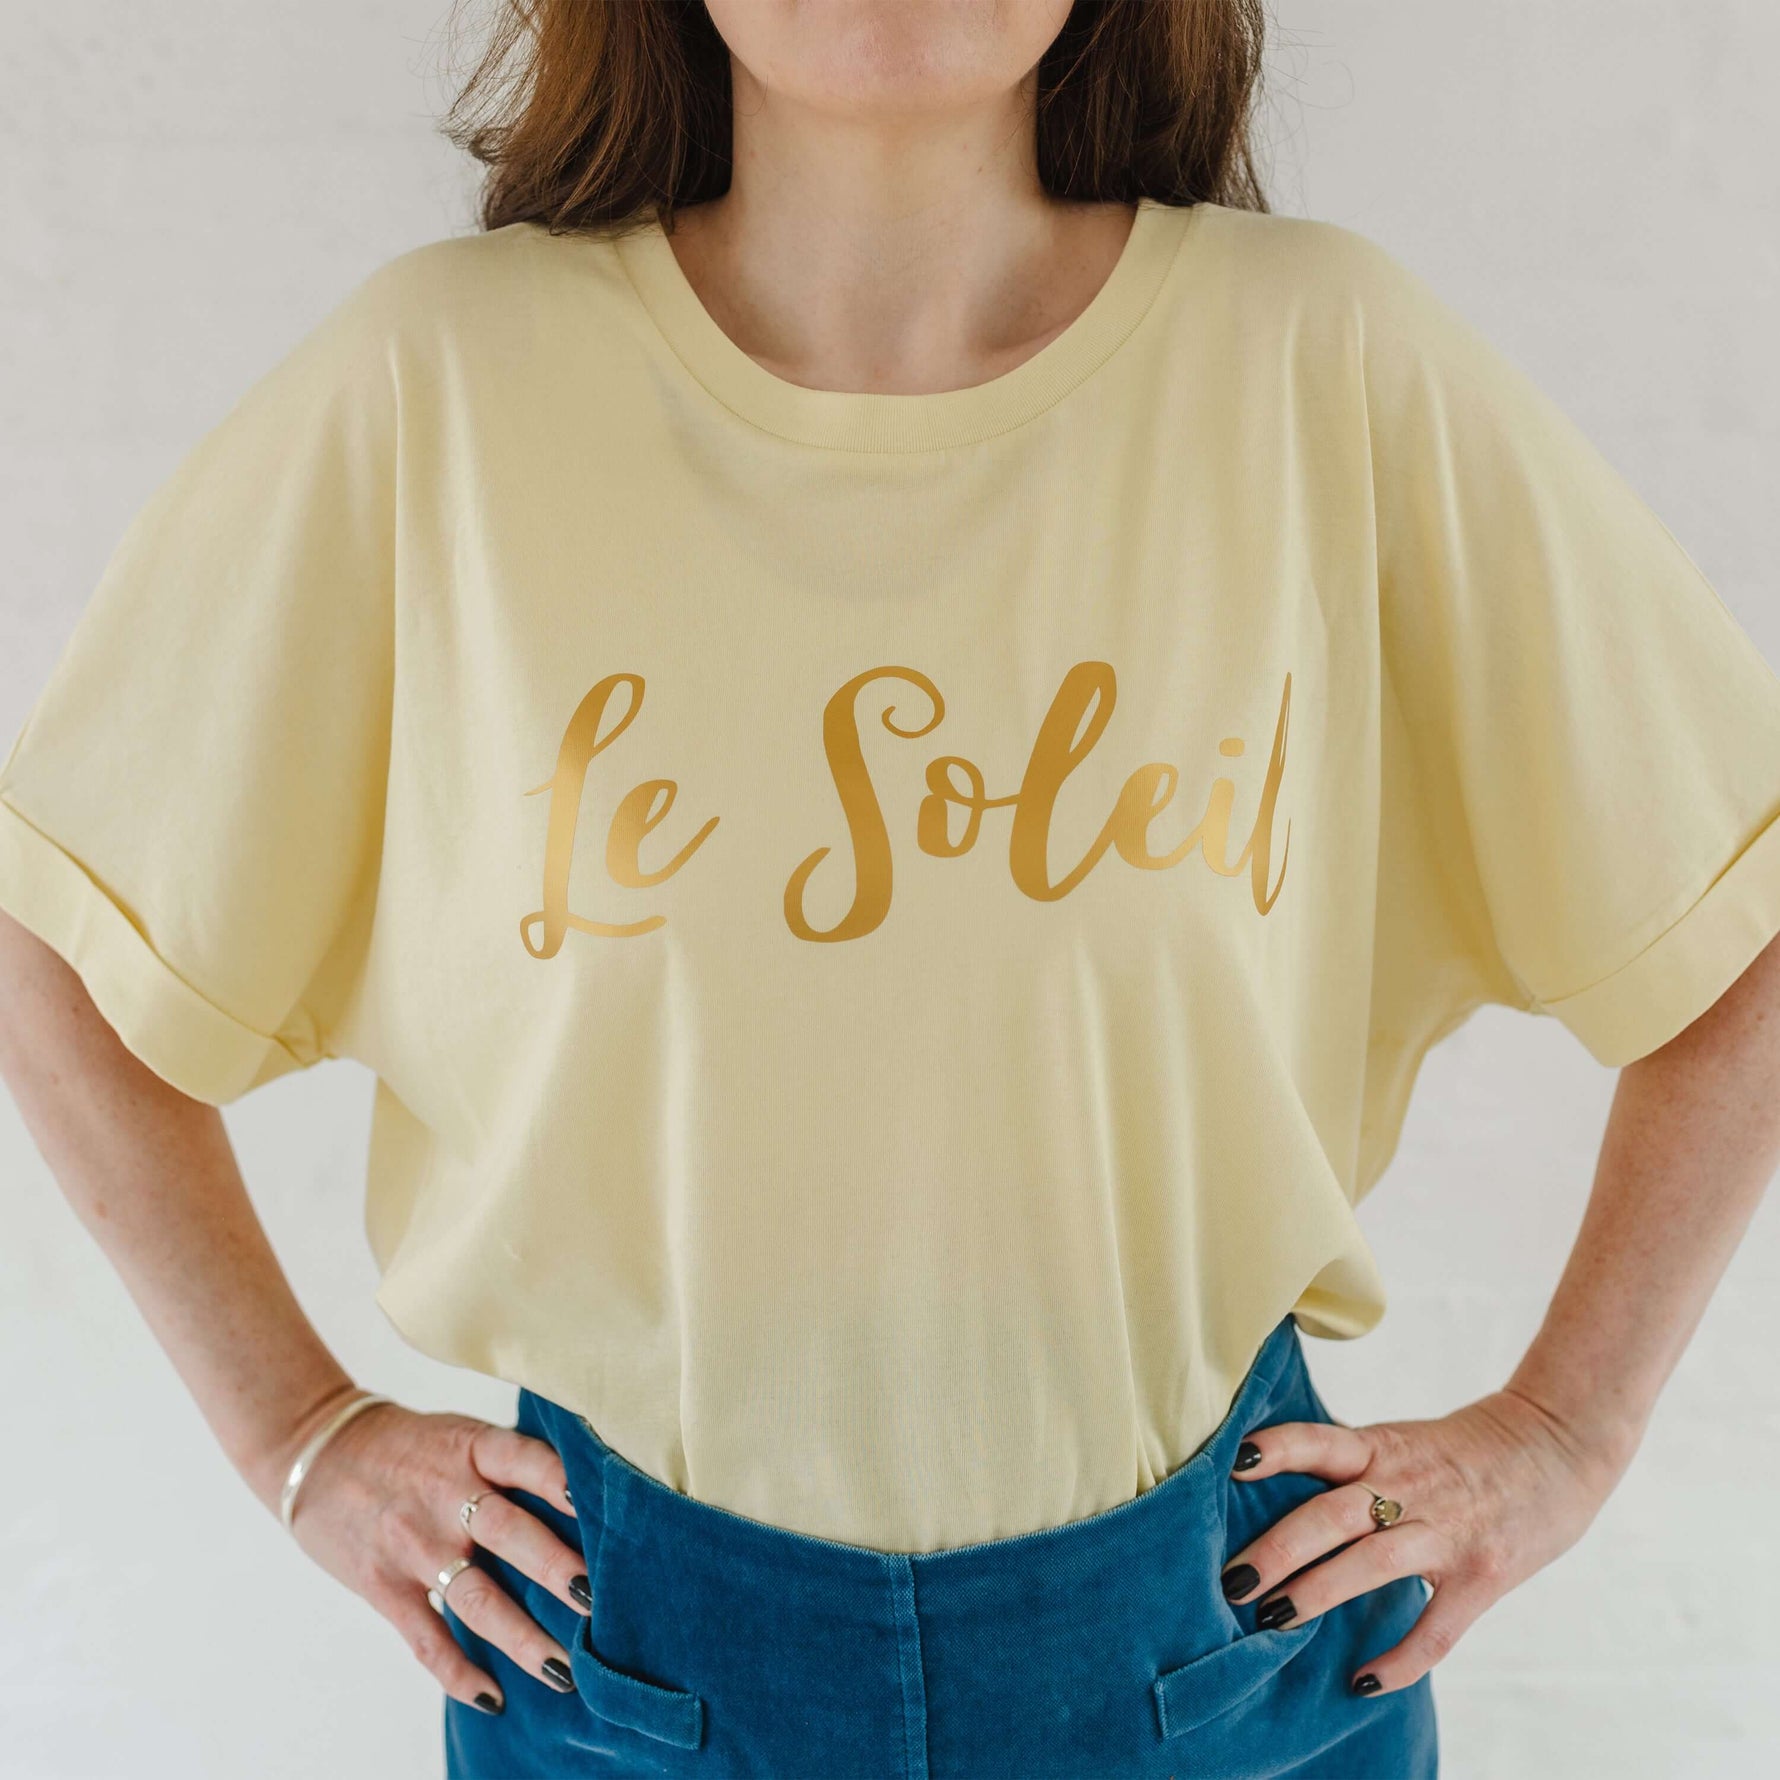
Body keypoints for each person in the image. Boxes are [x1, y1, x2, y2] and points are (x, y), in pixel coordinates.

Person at [3, 2, 1779, 1775]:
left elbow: (1741, 906)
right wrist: (292, 1434)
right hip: (623, 1672)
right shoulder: (436, 390)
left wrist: (1568, 1424)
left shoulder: (1324, 362)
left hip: (1218, 1657)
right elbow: (53, 926)